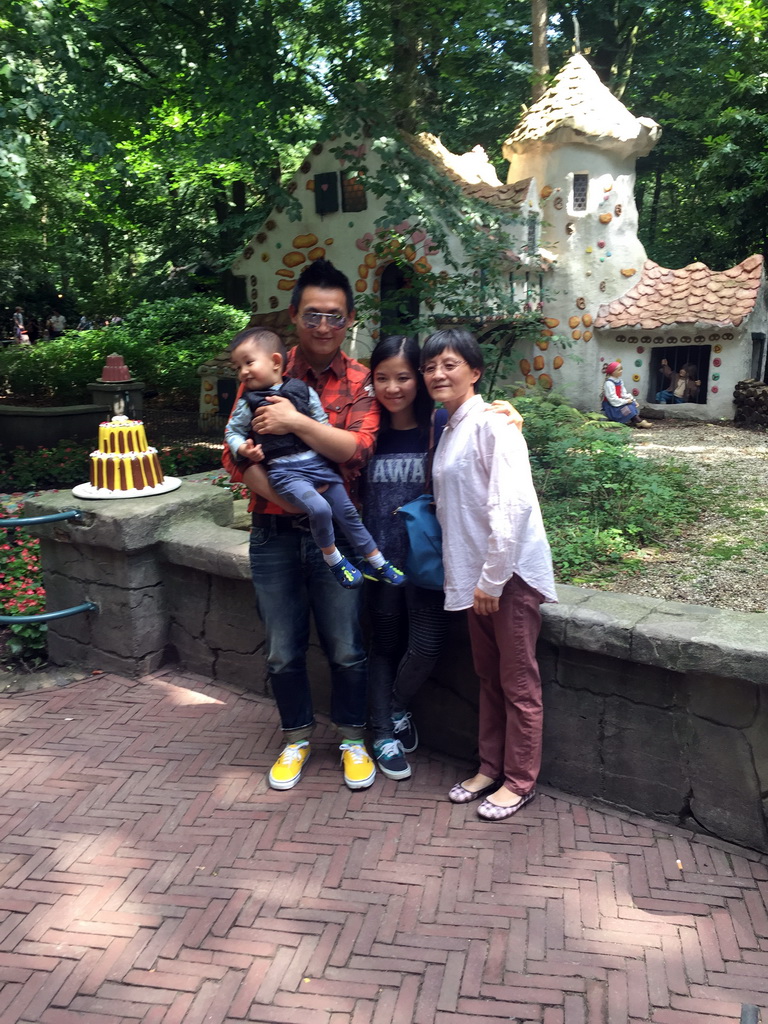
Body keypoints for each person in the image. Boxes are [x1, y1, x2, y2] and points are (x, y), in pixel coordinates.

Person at [222, 259, 380, 793]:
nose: (322, 326)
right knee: (282, 648)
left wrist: (294, 423)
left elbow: (357, 451)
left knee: (346, 645)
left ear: (349, 321)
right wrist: (295, 504)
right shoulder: (257, 367)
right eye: (312, 314)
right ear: (294, 317)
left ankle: (353, 740)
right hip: (274, 535)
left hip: (333, 535)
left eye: (334, 317)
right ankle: (295, 738)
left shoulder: (361, 381)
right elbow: (234, 458)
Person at [422, 328, 557, 822]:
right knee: (488, 678)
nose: (438, 373)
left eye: (450, 364)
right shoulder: (450, 423)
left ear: (475, 372)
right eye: (431, 366)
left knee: (518, 683)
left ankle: (519, 781)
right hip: (476, 577)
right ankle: (489, 767)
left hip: (506, 578)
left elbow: (513, 505)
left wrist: (493, 580)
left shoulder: (494, 425)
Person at [224, 326, 405, 589]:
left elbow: (325, 425)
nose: (243, 372)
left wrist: (301, 425)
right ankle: (335, 561)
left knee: (347, 513)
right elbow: (232, 432)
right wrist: (243, 449)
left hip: (316, 465)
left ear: (275, 361)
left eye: (248, 363)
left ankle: (377, 562)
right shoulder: (249, 398)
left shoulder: (302, 390)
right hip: (285, 473)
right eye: (238, 367)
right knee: (319, 508)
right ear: (295, 316)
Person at [361, 335, 451, 780]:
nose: (392, 387)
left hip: (426, 563)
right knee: (384, 646)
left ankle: (394, 708)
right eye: (382, 378)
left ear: (419, 377)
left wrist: (506, 413)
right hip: (378, 564)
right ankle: (380, 732)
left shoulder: (438, 424)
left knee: (427, 647)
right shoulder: (365, 429)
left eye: (403, 377)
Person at [601, 360, 652, 428]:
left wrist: (632, 399)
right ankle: (638, 421)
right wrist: (625, 401)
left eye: (621, 369)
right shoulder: (609, 383)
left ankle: (635, 421)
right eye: (619, 370)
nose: (621, 371)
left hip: (618, 402)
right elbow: (612, 398)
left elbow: (623, 393)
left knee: (632, 404)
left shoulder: (619, 381)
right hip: (611, 406)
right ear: (613, 372)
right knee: (628, 407)